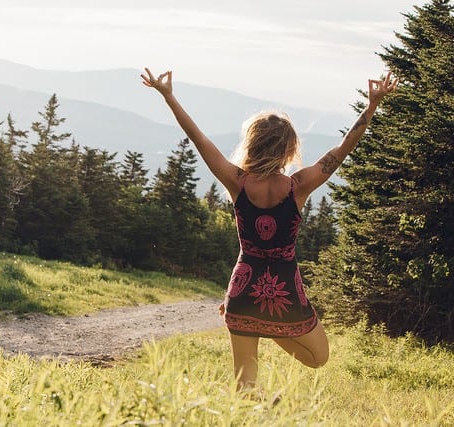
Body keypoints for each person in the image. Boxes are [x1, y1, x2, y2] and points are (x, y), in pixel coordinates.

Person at [141, 67, 398, 390]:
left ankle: (261, 335)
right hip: (284, 292)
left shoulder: (237, 182)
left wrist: (169, 96)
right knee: (319, 357)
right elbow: (343, 149)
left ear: (252, 143)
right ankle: (270, 329)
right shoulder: (298, 186)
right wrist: (373, 104)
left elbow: (198, 138)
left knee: (245, 386)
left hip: (242, 290)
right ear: (288, 149)